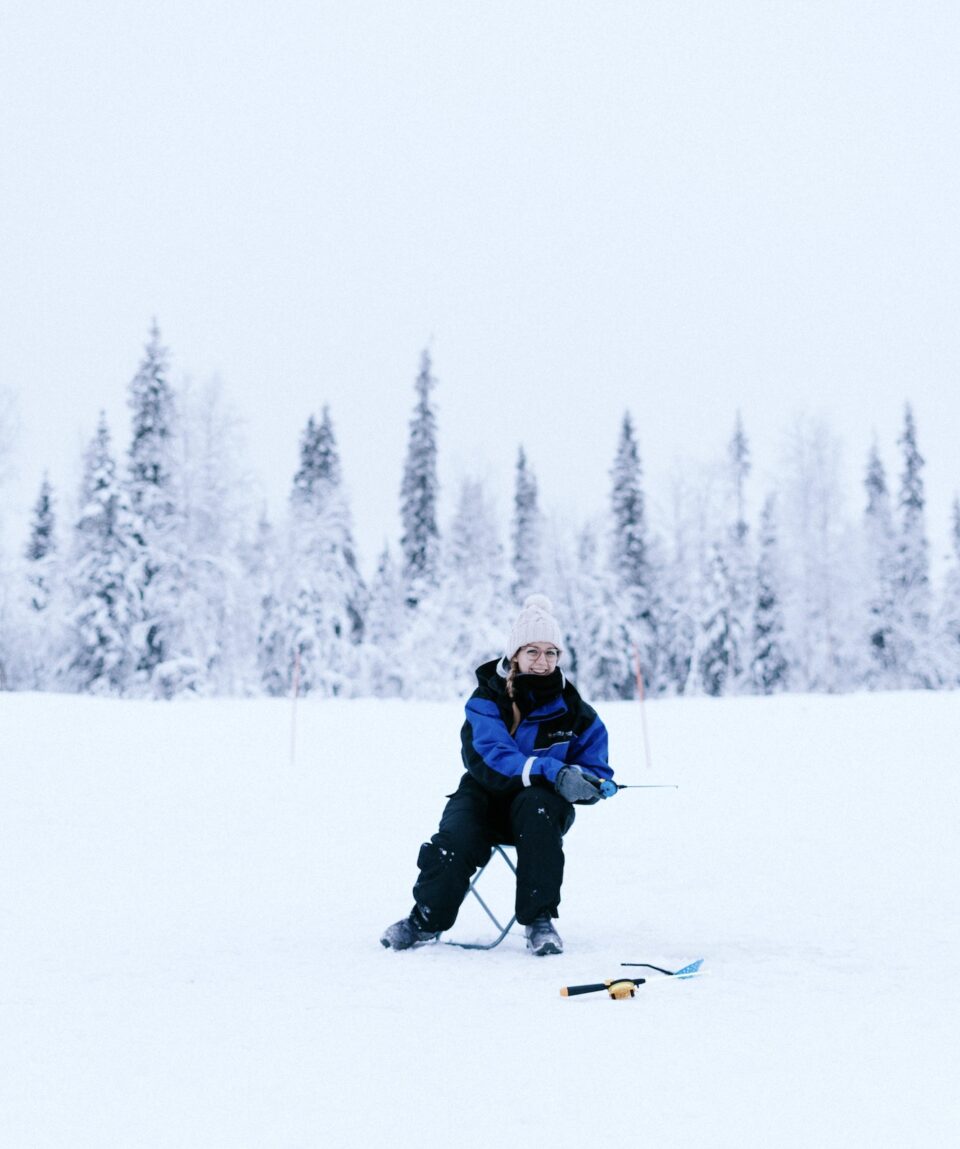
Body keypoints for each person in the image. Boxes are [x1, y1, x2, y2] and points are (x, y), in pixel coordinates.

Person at [380, 593, 617, 956]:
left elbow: (596, 767)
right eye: (533, 652)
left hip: (539, 809)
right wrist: (554, 770)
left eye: (551, 652)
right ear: (515, 655)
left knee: (538, 805)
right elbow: (492, 758)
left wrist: (588, 784)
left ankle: (539, 921)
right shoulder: (486, 700)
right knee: (454, 841)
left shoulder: (576, 710)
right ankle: (424, 920)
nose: (542, 661)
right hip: (483, 797)